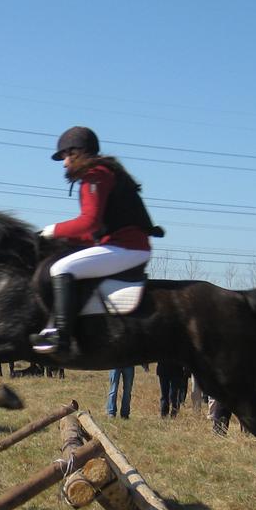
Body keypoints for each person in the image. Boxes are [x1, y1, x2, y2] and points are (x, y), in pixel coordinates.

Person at [32, 126, 161, 354]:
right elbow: (91, 231)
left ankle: (61, 335)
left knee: (62, 268)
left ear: (78, 152)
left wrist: (51, 231)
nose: (64, 164)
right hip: (122, 245)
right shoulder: (103, 172)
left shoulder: (96, 174)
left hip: (128, 247)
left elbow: (89, 222)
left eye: (65, 157)